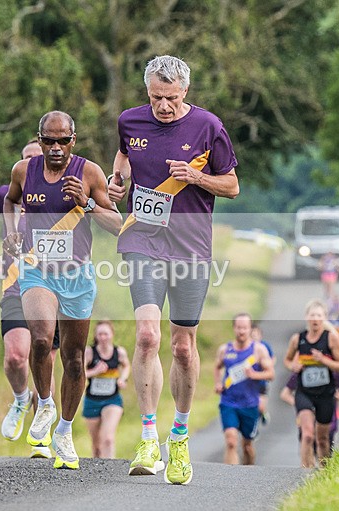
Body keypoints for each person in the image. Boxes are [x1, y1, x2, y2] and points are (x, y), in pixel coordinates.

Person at [107, 55, 239, 484]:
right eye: (155, 97)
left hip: (190, 247)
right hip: (142, 239)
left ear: (185, 92)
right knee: (147, 336)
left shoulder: (208, 127)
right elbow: (124, 155)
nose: (162, 106)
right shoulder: (130, 121)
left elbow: (233, 185)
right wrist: (117, 179)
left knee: (183, 347)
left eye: (170, 98)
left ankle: (178, 438)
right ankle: (148, 438)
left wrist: (197, 178)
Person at [3, 110, 122, 469]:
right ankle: (46, 403)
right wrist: (11, 231)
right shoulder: (24, 171)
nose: (56, 148)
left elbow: (118, 225)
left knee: (73, 359)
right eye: (48, 141)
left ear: (74, 140)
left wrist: (86, 204)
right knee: (41, 339)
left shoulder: (89, 173)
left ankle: (64, 430)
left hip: (77, 276)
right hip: (37, 270)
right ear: (38, 140)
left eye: (63, 141)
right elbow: (9, 201)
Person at [0, 138, 58, 459]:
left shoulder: (63, 191)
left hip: (55, 288)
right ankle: (20, 399)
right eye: (25, 159)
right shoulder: (8, 194)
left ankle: (42, 437)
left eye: (36, 158)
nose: (31, 164)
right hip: (16, 285)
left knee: (45, 360)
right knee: (15, 356)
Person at [284, 299, 339, 468]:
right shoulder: (298, 339)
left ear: (324, 318)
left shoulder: (332, 339)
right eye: (312, 315)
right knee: (307, 435)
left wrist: (324, 361)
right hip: (304, 392)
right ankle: (304, 472)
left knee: (322, 439)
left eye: (319, 315)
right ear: (307, 317)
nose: (315, 319)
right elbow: (287, 360)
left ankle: (325, 473)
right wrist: (293, 366)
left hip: (326, 394)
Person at [213, 313, 274, 465]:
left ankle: (248, 474)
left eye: (245, 328)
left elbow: (271, 374)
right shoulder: (225, 350)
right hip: (229, 402)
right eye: (239, 328)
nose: (242, 331)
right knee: (231, 441)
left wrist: (254, 375)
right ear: (234, 328)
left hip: (250, 404)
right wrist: (218, 383)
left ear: (250, 329)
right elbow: (217, 366)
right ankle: (230, 479)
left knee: (247, 446)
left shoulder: (258, 350)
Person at [83, 320, 130, 459]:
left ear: (112, 335)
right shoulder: (89, 352)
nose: (103, 337)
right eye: (100, 334)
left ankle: (110, 471)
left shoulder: (119, 352)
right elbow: (79, 374)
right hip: (92, 400)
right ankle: (97, 475)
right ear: (96, 336)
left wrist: (123, 378)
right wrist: (95, 371)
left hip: (112, 399)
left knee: (108, 439)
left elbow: (126, 366)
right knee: (97, 446)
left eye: (106, 334)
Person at [280, 370, 339, 456]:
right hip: (308, 416)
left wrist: (332, 398)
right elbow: (285, 394)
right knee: (307, 438)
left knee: (324, 440)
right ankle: (306, 468)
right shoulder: (302, 369)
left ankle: (324, 467)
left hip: (327, 412)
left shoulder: (332, 370)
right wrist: (302, 404)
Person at [251, 323, 275, 425]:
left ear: (260, 335)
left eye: (256, 335)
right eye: (252, 335)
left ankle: (263, 412)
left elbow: (272, 358)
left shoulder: (264, 347)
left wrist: (269, 367)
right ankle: (253, 426)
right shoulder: (246, 348)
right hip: (249, 383)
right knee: (252, 406)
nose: (254, 337)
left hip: (262, 382)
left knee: (260, 406)